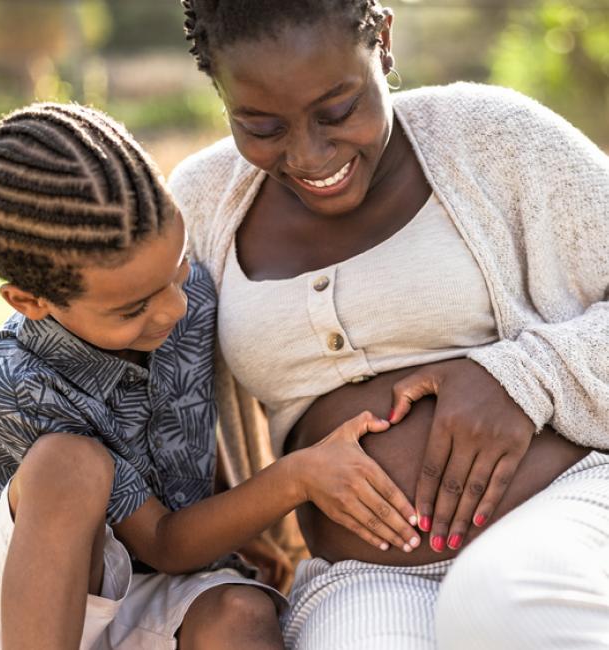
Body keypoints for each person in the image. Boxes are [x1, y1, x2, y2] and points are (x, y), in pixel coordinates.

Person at [169, 1, 609, 648]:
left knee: (494, 604)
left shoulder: (494, 136)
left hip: (563, 507)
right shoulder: (201, 205)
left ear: (383, 42)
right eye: (261, 126)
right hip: (360, 575)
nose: (310, 153)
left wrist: (525, 376)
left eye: (338, 110)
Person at [0, 103, 423, 650]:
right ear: (30, 301)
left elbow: (186, 437)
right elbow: (163, 541)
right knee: (71, 464)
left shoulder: (190, 300)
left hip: (152, 588)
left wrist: (245, 538)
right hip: (23, 610)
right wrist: (298, 476)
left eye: (177, 268)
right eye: (132, 310)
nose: (173, 309)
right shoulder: (16, 381)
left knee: (241, 613)